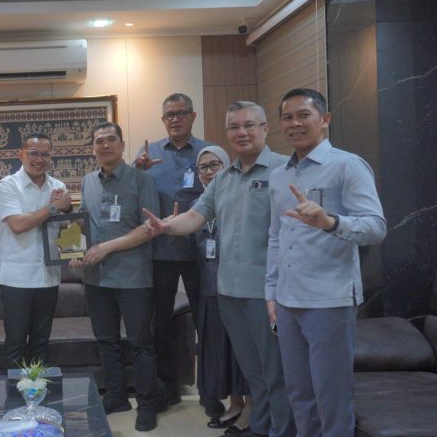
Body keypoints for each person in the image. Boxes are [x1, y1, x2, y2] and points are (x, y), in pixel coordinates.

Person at [143, 101, 295, 437]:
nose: (241, 132)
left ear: (265, 128)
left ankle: (282, 430)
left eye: (249, 125)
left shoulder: (286, 170)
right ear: (226, 133)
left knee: (276, 372)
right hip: (228, 291)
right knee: (252, 371)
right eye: (234, 127)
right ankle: (261, 426)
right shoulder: (223, 179)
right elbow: (195, 216)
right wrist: (166, 227)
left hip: (268, 292)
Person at [266, 88, 386, 437]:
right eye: (287, 117)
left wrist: (330, 221)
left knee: (331, 397)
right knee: (300, 395)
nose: (294, 123)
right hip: (287, 300)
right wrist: (271, 292)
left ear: (325, 119)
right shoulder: (279, 175)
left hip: (329, 300)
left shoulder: (347, 165)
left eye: (304, 115)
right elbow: (275, 237)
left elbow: (376, 228)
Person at [71, 121, 160, 432]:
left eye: (111, 140)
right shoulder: (88, 181)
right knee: (106, 341)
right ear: (93, 148)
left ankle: (146, 405)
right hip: (97, 278)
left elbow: (150, 228)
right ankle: (116, 396)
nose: (105, 145)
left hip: (133, 277)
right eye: (99, 141)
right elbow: (83, 223)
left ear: (122, 145)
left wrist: (106, 247)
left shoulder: (142, 179)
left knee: (141, 343)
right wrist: (73, 251)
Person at [134, 93, 215, 413]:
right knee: (162, 325)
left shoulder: (208, 153)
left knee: (207, 321)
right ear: (163, 119)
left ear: (193, 116)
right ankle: (168, 389)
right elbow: (133, 192)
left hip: (201, 251)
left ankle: (211, 391)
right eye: (170, 115)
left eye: (182, 113)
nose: (176, 119)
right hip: (161, 251)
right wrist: (138, 170)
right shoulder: (148, 154)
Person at [0, 132, 72, 366]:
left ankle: (39, 389)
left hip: (48, 278)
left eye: (45, 155)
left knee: (41, 341)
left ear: (51, 157)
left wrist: (73, 253)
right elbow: (18, 225)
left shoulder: (58, 187)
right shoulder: (8, 185)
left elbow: (65, 229)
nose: (39, 159)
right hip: (17, 280)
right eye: (33, 153)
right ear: (21, 155)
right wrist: (53, 207)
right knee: (16, 342)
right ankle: (16, 390)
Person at [191, 146, 251, 434]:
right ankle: (235, 403)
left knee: (243, 351)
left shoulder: (239, 198)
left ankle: (252, 408)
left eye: (215, 165)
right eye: (203, 167)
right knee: (219, 351)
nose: (209, 171)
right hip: (209, 289)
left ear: (226, 167)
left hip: (238, 289)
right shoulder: (198, 205)